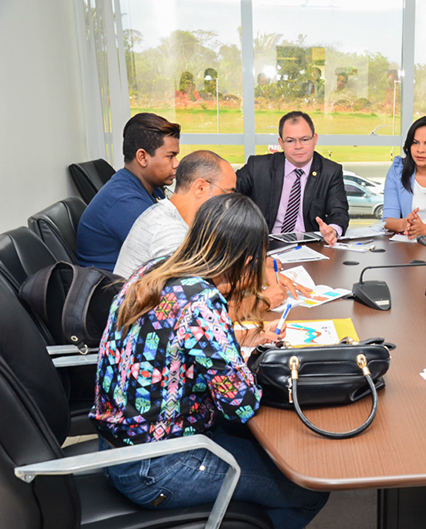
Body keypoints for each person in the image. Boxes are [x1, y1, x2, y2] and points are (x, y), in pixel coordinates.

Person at [90, 194, 329, 529]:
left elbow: (169, 342)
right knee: (308, 490)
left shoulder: (152, 270)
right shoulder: (201, 302)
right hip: (159, 467)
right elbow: (241, 404)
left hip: (118, 447)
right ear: (246, 262)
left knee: (268, 452)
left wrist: (247, 338)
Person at [77, 113, 180, 271]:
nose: (176, 164)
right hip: (114, 291)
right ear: (142, 157)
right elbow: (173, 253)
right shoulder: (124, 202)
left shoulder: (151, 189)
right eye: (170, 156)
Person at [113, 150, 235, 278]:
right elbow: (190, 293)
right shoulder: (169, 232)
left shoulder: (165, 214)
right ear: (200, 188)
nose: (230, 203)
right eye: (228, 193)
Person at [236, 111, 349, 245]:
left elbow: (339, 212)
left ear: (315, 139)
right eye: (290, 141)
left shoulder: (330, 172)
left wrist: (333, 230)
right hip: (263, 245)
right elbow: (228, 194)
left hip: (310, 247)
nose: (298, 146)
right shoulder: (258, 167)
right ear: (281, 143)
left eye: (305, 139)